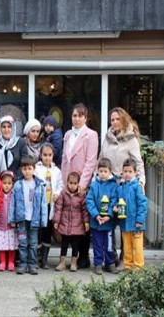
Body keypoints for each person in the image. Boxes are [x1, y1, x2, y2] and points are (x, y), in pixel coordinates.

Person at [99, 107, 146, 270]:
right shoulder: (107, 137)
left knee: (125, 223)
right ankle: (110, 258)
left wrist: (141, 183)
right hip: (110, 184)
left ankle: (125, 259)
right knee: (110, 220)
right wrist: (95, 179)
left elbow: (138, 163)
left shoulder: (131, 138)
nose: (115, 122)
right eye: (112, 120)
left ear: (124, 120)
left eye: (118, 119)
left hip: (126, 185)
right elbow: (101, 159)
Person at [61, 103, 98, 269]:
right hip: (68, 183)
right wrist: (63, 183)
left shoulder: (91, 135)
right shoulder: (68, 134)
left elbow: (91, 161)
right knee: (69, 217)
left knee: (82, 220)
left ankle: (83, 256)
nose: (77, 119)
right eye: (74, 115)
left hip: (81, 183)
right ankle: (67, 256)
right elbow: (64, 160)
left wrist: (83, 184)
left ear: (85, 117)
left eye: (80, 116)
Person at [8, 155, 47, 275]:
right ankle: (23, 263)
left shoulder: (39, 185)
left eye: (29, 168)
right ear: (21, 170)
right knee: (23, 242)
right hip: (21, 219)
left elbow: (43, 204)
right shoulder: (18, 184)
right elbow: (12, 203)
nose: (27, 171)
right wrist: (12, 219)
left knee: (33, 243)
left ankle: (32, 264)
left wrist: (43, 220)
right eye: (24, 169)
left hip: (34, 219)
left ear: (34, 169)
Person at [86, 158, 119, 275]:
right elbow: (89, 201)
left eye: (105, 171)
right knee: (97, 244)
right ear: (98, 172)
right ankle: (98, 263)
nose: (103, 174)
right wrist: (96, 215)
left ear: (110, 172)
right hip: (96, 222)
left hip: (108, 223)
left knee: (109, 244)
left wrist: (109, 215)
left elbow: (115, 201)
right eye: (101, 171)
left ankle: (110, 263)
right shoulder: (94, 185)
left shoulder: (114, 186)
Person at [53, 172, 90, 272]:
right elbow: (59, 208)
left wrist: (86, 222)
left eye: (75, 183)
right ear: (67, 183)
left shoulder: (81, 195)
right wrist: (56, 221)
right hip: (65, 223)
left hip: (77, 225)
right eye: (70, 183)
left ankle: (74, 263)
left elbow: (84, 210)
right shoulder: (63, 194)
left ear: (78, 184)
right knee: (64, 243)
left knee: (75, 244)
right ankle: (62, 262)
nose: (72, 186)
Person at [35, 143, 64, 269]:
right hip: (39, 204)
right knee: (38, 231)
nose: (47, 158)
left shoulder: (56, 171)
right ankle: (37, 257)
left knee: (47, 231)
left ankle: (45, 259)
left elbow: (60, 185)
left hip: (50, 204)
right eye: (45, 155)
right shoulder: (36, 168)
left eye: (49, 155)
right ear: (40, 155)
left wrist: (57, 193)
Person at [116, 158, 148, 270]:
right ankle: (128, 265)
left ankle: (138, 267)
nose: (127, 174)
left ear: (135, 173)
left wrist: (140, 220)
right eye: (125, 171)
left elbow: (142, 204)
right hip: (125, 223)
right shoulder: (121, 187)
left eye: (130, 172)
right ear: (122, 172)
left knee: (137, 247)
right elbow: (118, 201)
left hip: (136, 224)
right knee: (127, 247)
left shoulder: (137, 186)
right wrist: (116, 207)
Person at [0, 171, 17, 272]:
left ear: (12, 184)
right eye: (4, 183)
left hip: (11, 225)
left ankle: (11, 262)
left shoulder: (14, 195)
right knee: (2, 245)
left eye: (9, 183)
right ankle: (2, 262)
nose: (7, 186)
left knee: (11, 245)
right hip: (1, 225)